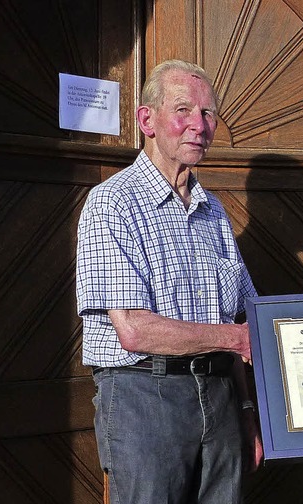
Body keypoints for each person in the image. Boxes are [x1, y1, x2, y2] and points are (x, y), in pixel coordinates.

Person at [76, 59, 263, 504]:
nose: (198, 125)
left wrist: (247, 410)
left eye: (208, 113)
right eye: (183, 110)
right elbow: (134, 330)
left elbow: (241, 320)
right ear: (147, 120)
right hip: (145, 399)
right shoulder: (111, 204)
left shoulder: (213, 210)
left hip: (219, 398)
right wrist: (236, 339)